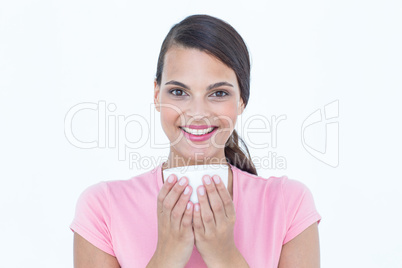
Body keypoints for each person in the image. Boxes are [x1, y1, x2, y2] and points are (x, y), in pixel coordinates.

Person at [70, 14, 322, 267]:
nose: (198, 113)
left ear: (242, 101)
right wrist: (167, 256)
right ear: (156, 95)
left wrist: (224, 255)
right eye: (179, 92)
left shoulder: (289, 203)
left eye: (218, 93)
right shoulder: (102, 207)